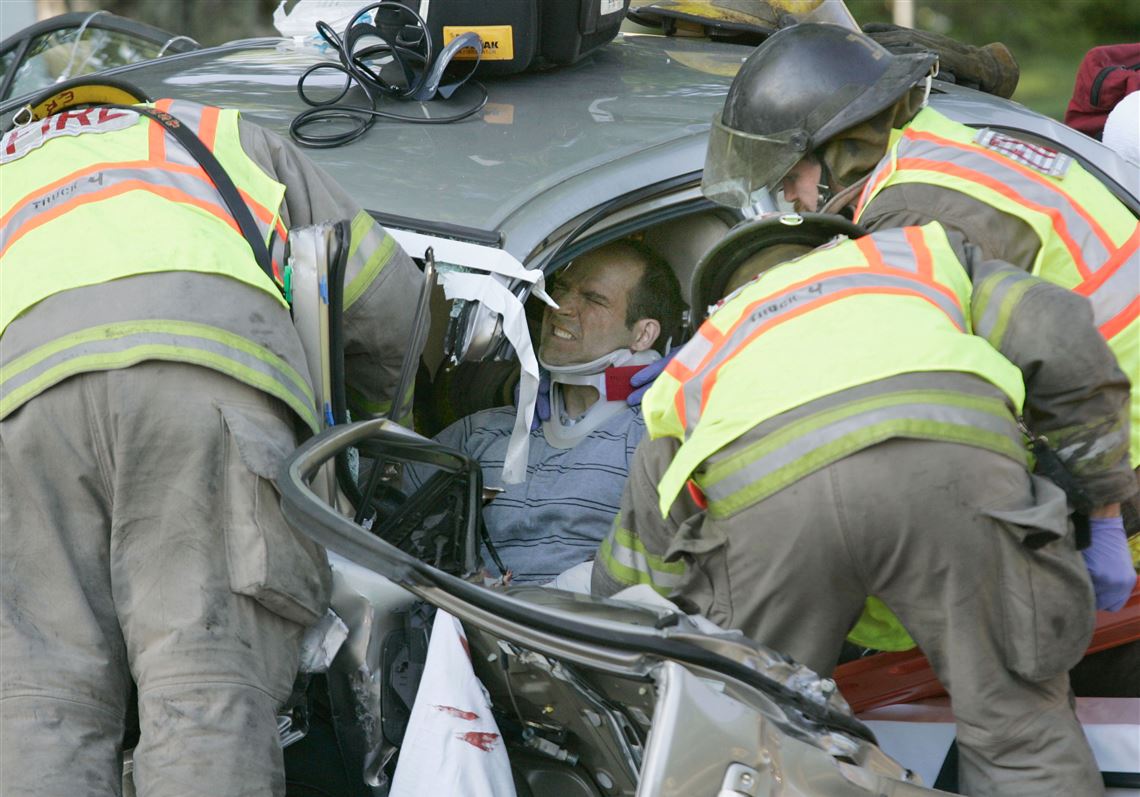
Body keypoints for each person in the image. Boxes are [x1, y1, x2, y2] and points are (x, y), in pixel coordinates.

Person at [593, 214, 1135, 795]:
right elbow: (1057, 334)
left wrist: (616, 639)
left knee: (758, 746)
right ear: (839, 247)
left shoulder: (699, 354)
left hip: (773, 519)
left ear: (722, 297)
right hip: (951, 469)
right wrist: (1104, 504)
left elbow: (641, 556)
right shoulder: (917, 256)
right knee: (1020, 733)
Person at [0, 81, 425, 796]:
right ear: (137, 103)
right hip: (203, 394)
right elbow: (392, 305)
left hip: (22, 411)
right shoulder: (220, 135)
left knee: (43, 707)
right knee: (204, 692)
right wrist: (378, 453)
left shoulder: (8, 167)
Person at [700, 21, 1140, 558]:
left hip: (1116, 448)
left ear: (844, 147)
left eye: (789, 173)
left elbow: (911, 392)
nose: (788, 195)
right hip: (1104, 400)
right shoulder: (934, 144)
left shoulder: (912, 215)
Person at [409, 240, 684, 585]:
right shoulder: (484, 431)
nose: (560, 306)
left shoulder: (659, 439)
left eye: (593, 299)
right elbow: (379, 507)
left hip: (572, 635)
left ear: (643, 334)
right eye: (559, 289)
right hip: (467, 628)